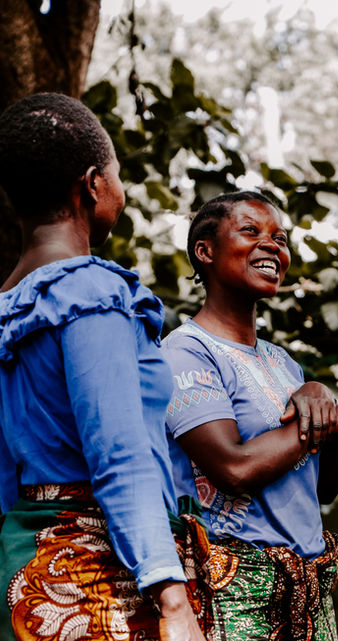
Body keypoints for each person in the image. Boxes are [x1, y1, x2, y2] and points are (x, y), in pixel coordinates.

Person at [0, 93, 208, 641]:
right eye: (116, 175)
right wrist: (172, 596)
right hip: (97, 579)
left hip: (22, 566)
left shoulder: (7, 308)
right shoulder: (91, 292)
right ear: (93, 185)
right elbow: (120, 455)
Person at [162, 191, 338, 641]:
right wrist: (326, 418)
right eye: (251, 231)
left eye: (280, 238)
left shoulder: (283, 364)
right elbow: (234, 469)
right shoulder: (185, 352)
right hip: (237, 595)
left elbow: (323, 487)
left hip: (311, 594)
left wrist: (320, 406)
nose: (273, 246)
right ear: (205, 251)